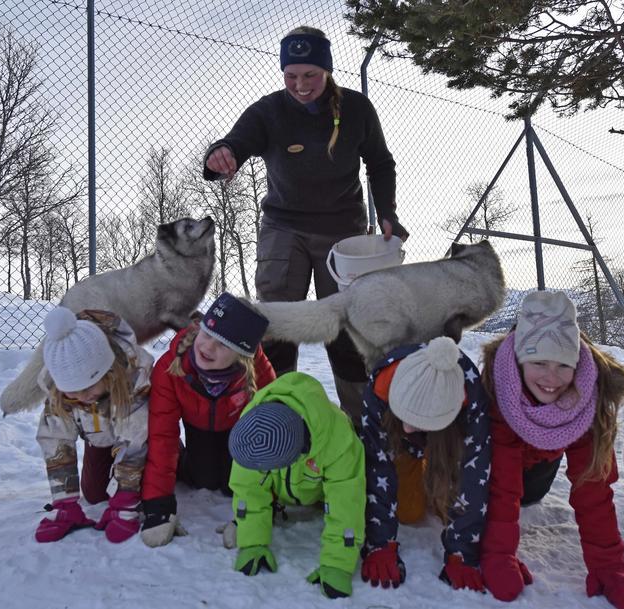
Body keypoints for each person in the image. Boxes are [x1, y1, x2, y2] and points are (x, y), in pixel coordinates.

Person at [203, 25, 409, 424]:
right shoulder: (268, 111)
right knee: (276, 323)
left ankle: (366, 424)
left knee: (348, 326)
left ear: (327, 70)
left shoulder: (357, 110)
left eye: (310, 75)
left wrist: (387, 213)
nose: (300, 85)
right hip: (285, 229)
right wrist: (221, 154)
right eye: (291, 75)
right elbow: (235, 143)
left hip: (344, 232)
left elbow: (381, 163)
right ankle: (275, 421)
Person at [480, 291, 624, 609]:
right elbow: (501, 486)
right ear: (518, 360)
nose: (551, 378)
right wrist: (499, 555)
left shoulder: (588, 399)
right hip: (494, 468)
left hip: (537, 469)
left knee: (530, 494)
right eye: (539, 362)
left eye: (563, 365)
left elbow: (594, 489)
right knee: (489, 483)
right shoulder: (499, 392)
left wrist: (610, 569)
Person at [140, 293, 276, 547]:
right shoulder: (171, 366)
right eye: (206, 335)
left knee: (230, 485)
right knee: (203, 478)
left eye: (223, 345)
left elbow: (271, 441)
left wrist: (256, 512)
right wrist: (158, 505)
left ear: (241, 355)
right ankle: (185, 459)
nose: (207, 347)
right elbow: (162, 435)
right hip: (198, 429)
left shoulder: (258, 371)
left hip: (241, 435)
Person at [359, 336, 492, 591]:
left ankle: (436, 475)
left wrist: (462, 551)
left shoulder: (471, 396)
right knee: (408, 512)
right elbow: (377, 462)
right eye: (405, 415)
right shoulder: (381, 385)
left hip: (447, 443)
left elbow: (476, 472)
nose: (409, 426)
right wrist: (380, 542)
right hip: (401, 446)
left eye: (418, 420)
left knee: (449, 505)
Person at [227, 372, 365, 599]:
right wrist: (252, 542)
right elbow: (248, 488)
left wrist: (338, 564)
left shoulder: (339, 441)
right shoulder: (253, 432)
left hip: (319, 493)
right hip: (282, 490)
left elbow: (346, 503)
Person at [33, 307, 154, 544]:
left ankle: (174, 463)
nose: (81, 396)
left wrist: (125, 499)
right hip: (99, 437)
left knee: (145, 486)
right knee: (95, 493)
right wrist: (64, 502)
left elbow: (134, 440)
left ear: (108, 373)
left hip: (140, 439)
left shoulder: (132, 379)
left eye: (88, 387)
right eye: (72, 390)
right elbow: (55, 440)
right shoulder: (61, 390)